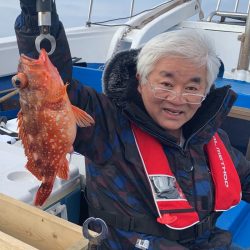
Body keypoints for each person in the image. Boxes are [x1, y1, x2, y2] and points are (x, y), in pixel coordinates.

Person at [15, 1, 250, 249]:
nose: (177, 99)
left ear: (205, 92)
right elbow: (49, 82)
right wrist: (35, 14)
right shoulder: (109, 127)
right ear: (140, 82)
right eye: (166, 84)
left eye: (192, 88)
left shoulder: (212, 137)